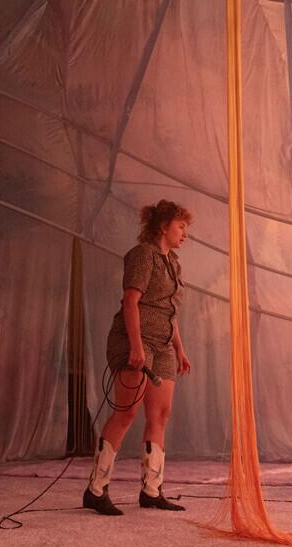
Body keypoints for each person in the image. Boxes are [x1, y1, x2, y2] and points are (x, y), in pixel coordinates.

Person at [83, 200, 193, 516]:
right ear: (163, 226)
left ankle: (151, 491)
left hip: (163, 345)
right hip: (135, 340)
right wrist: (135, 347)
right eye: (181, 226)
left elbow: (169, 311)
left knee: (160, 415)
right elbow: (131, 302)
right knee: (127, 411)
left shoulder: (173, 263)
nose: (185, 233)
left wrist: (180, 349)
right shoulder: (143, 255)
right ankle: (95, 490)